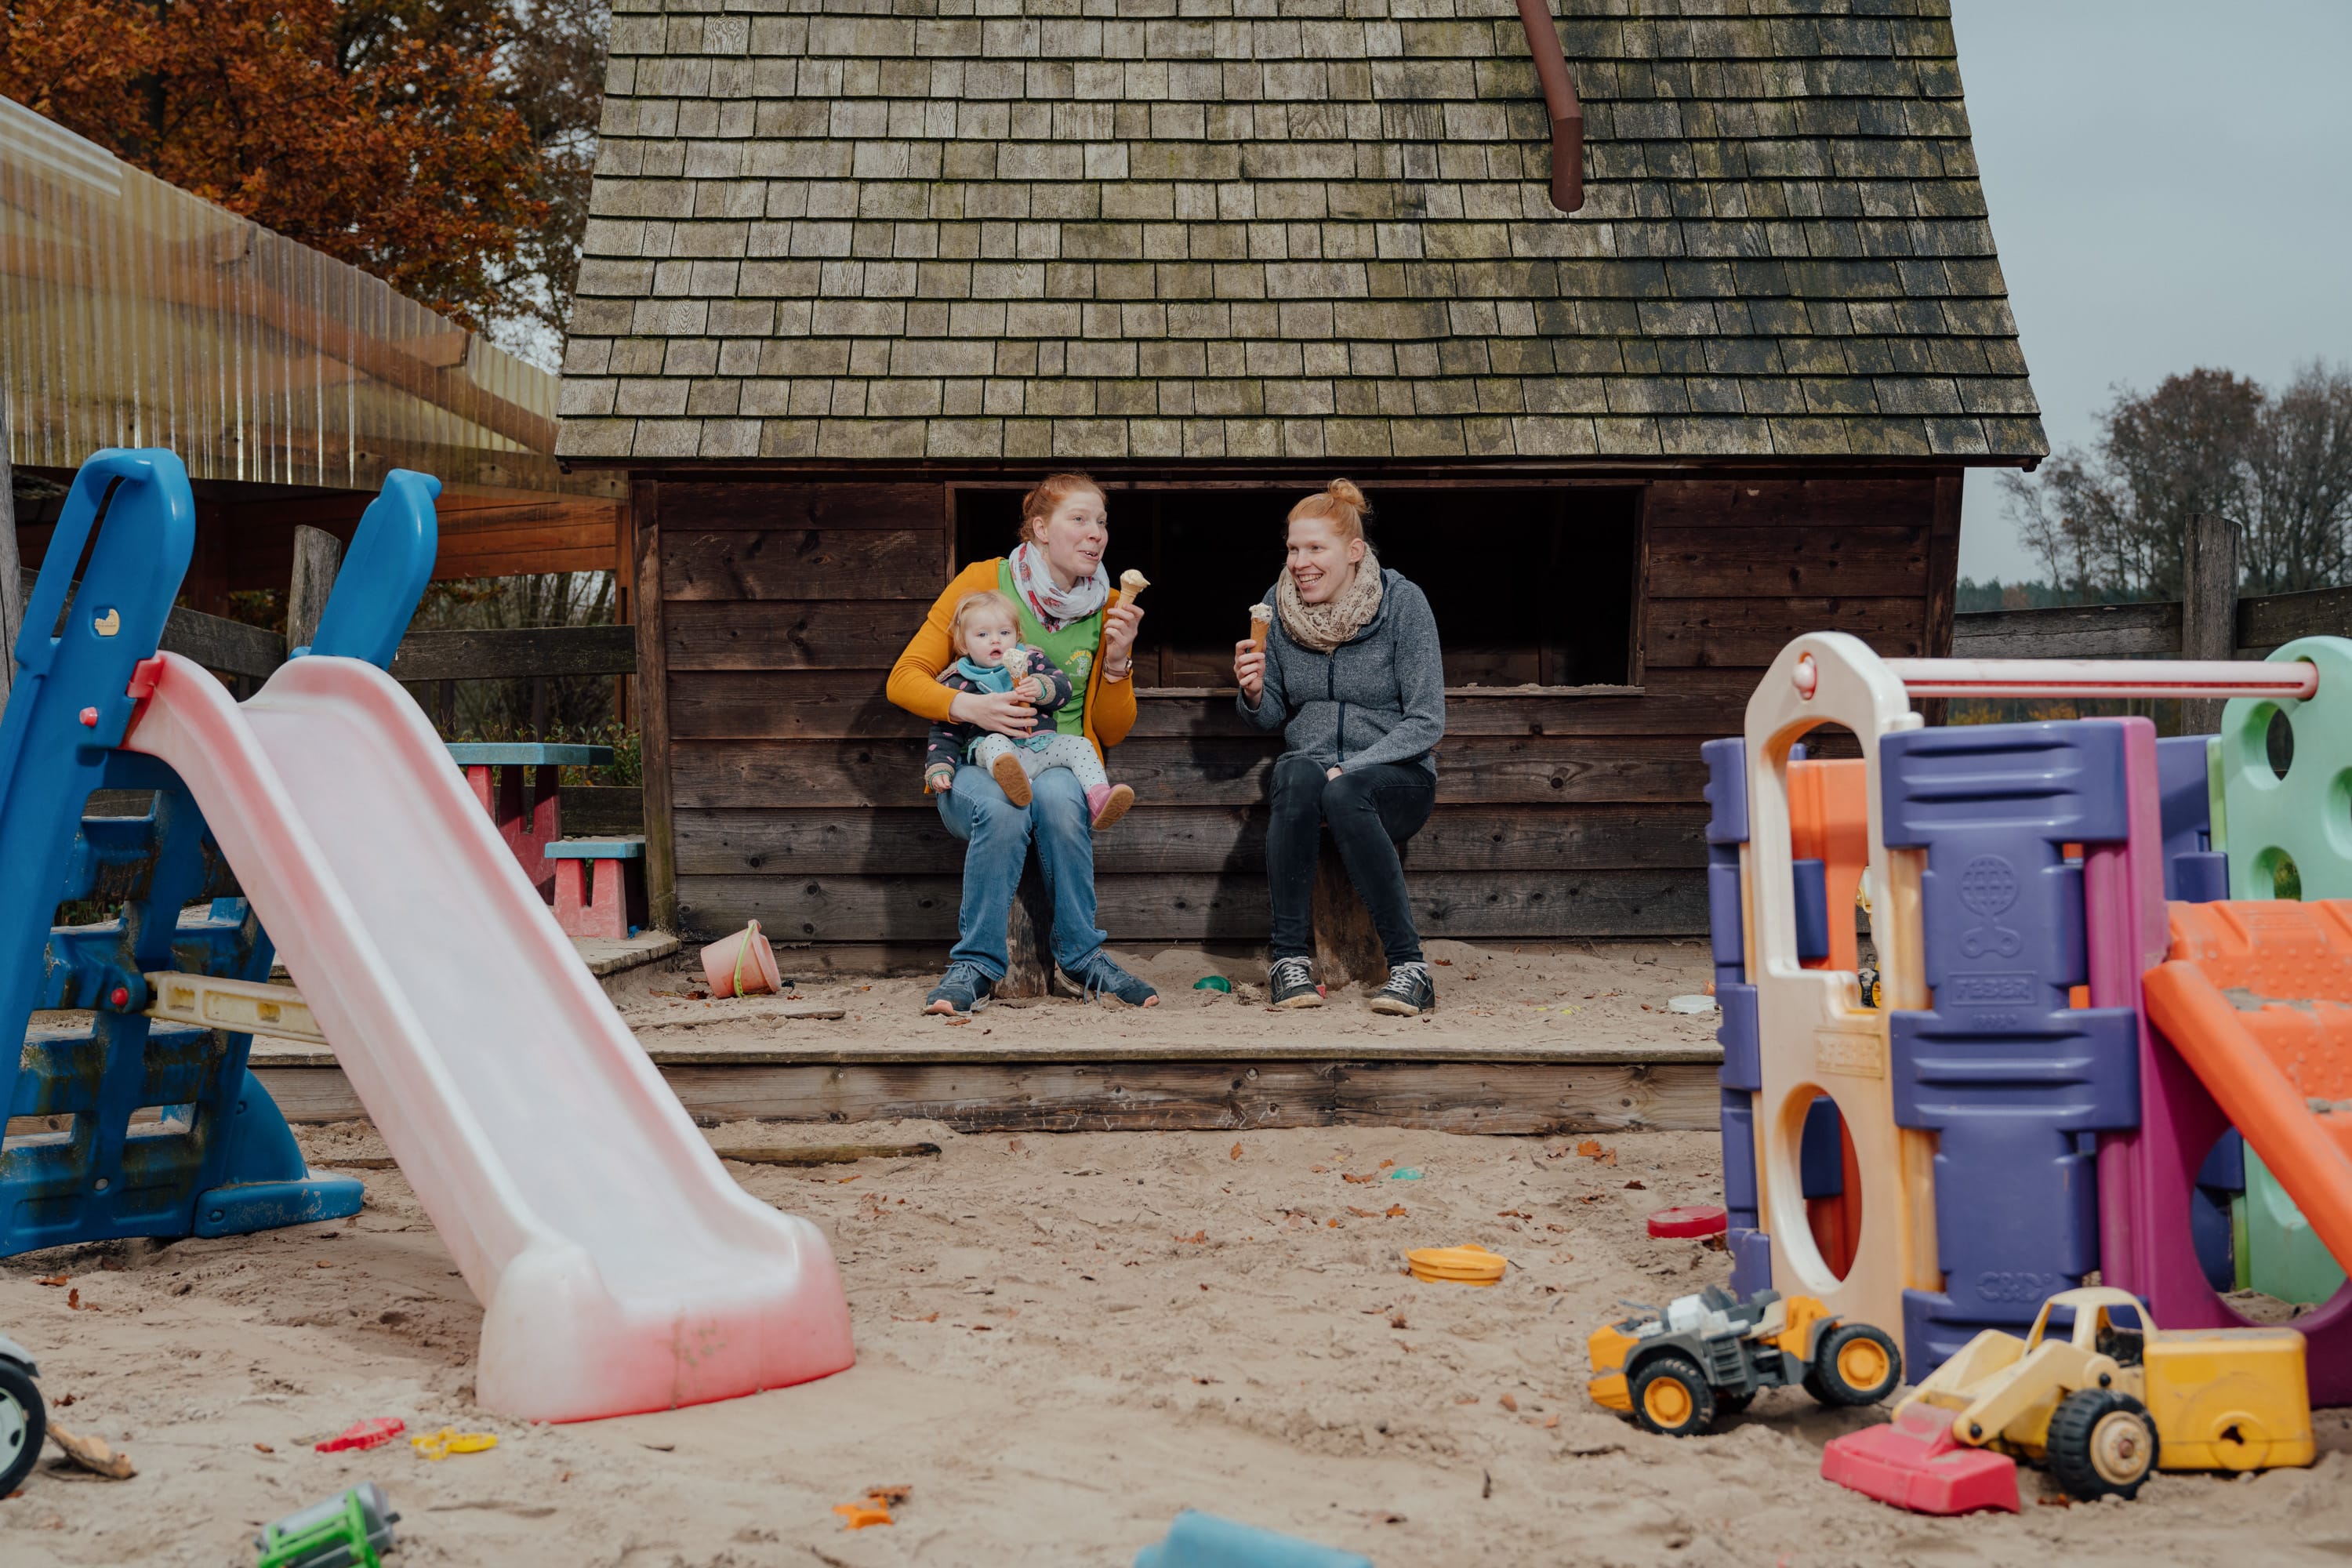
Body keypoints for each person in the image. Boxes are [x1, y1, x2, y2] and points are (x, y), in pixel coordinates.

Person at [888, 473, 1160, 1016]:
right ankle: (975, 966)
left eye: (1101, 522)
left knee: (1060, 796)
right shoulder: (983, 580)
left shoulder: (1109, 604)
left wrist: (1116, 662)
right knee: (1001, 805)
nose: (1095, 534)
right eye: (1079, 520)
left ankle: (1083, 956)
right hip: (975, 761)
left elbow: (1112, 730)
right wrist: (971, 707)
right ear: (1039, 529)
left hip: (1053, 756)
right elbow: (904, 679)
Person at [1232, 479, 1445, 1016]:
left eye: (1314, 549)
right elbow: (1272, 714)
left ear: (1354, 553)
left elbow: (1426, 721)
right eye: (1292, 548)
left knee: (1346, 791)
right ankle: (1289, 963)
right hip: (1312, 774)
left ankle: (1411, 970)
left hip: (1393, 776)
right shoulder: (1274, 608)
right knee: (1293, 773)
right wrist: (1254, 691)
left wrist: (1352, 766)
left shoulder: (1403, 603)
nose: (1299, 562)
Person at [922, 589, 1136, 827]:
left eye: (1004, 632)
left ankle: (1099, 799)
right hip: (996, 753)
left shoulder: (1033, 661)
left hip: (1041, 746)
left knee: (1081, 745)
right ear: (963, 643)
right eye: (982, 634)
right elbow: (944, 733)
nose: (995, 640)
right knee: (995, 743)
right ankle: (1018, 784)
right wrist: (940, 767)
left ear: (1017, 635)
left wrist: (1043, 688)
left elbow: (1063, 689)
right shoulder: (959, 680)